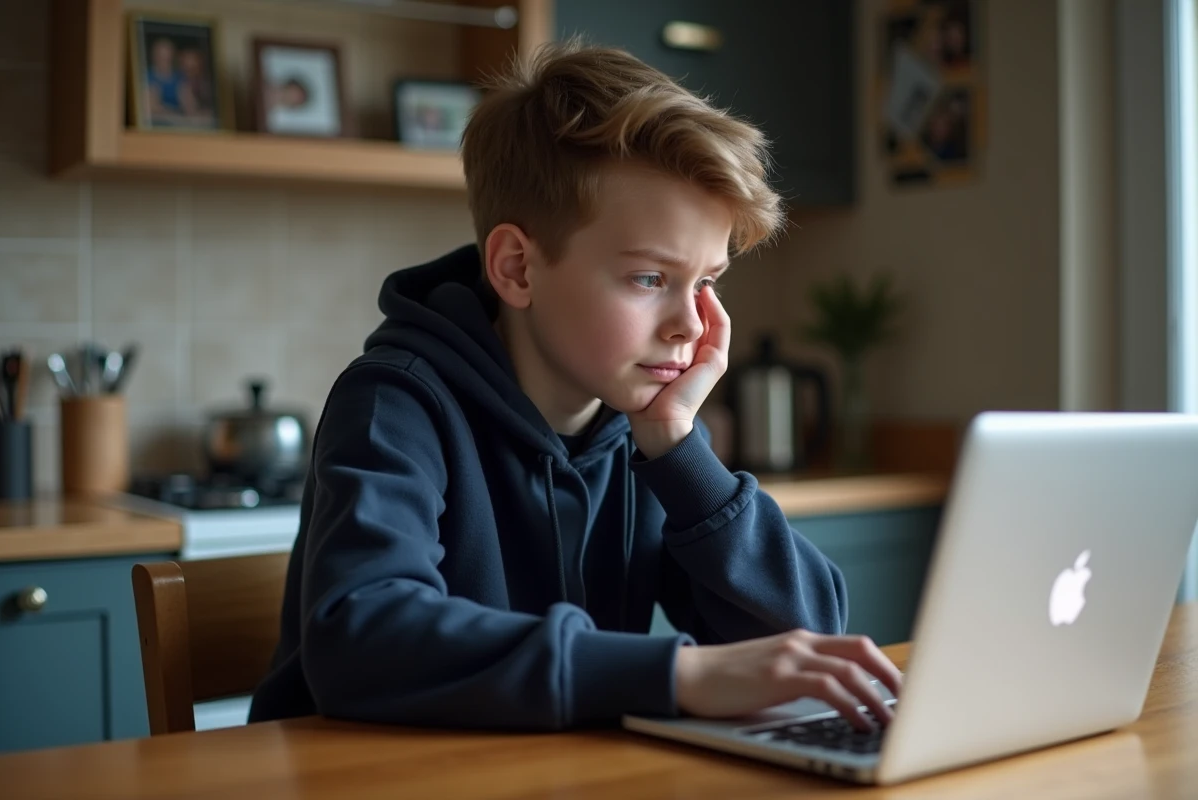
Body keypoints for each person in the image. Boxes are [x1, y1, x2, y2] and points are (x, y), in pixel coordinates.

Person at [248, 40, 902, 733]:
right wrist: (674, 674)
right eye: (651, 279)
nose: (689, 325)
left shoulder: (646, 428)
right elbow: (361, 638)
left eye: (706, 282)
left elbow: (806, 635)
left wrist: (681, 454)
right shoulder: (395, 403)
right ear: (518, 269)